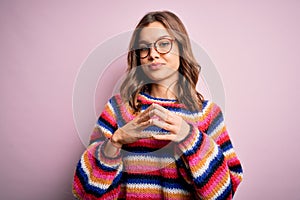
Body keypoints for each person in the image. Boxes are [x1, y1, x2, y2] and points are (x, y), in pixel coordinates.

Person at [72, 10, 243, 200]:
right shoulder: (118, 109)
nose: (153, 54)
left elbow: (224, 194)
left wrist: (189, 137)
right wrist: (116, 141)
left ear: (181, 48)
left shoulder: (207, 114)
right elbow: (85, 193)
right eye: (144, 48)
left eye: (163, 44)